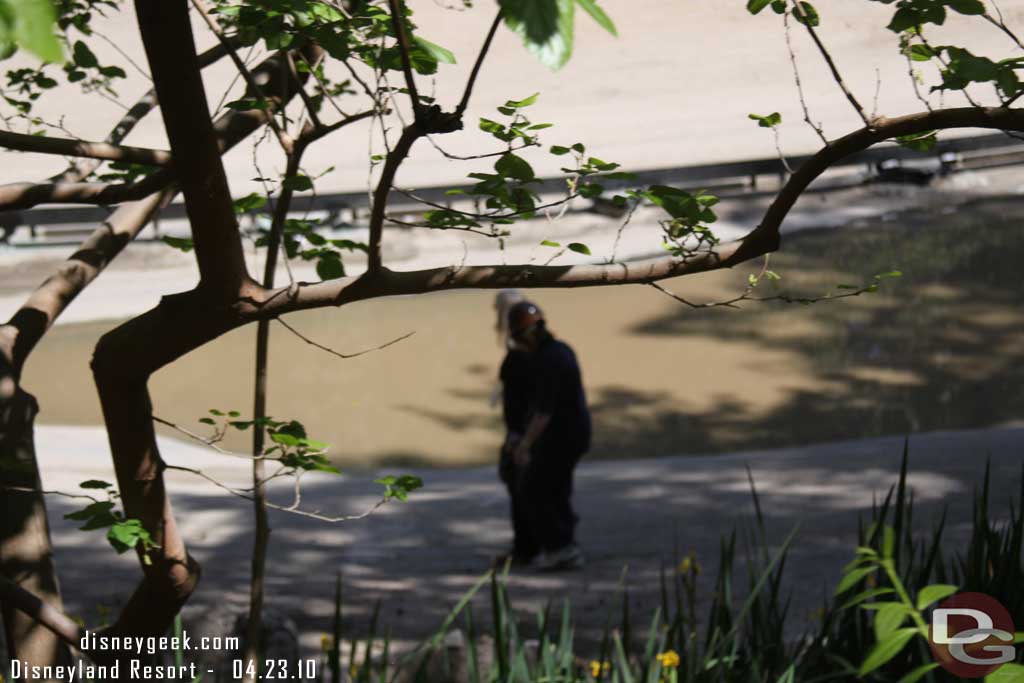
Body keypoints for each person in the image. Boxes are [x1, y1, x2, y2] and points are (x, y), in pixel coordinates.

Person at [495, 299, 591, 571]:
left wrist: (524, 444)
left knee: (537, 488)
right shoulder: (545, 354)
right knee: (538, 485)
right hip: (558, 434)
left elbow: (544, 410)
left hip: (564, 436)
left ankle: (562, 547)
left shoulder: (552, 358)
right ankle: (536, 547)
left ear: (527, 334)